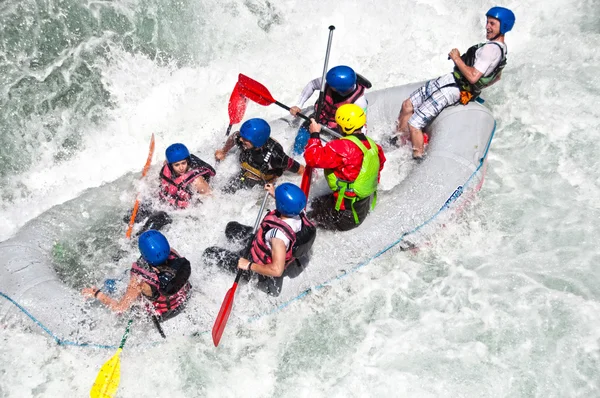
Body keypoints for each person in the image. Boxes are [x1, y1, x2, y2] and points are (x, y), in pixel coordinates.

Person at [395, 7, 515, 160]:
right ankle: (399, 142)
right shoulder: (502, 50)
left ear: (503, 26)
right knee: (408, 105)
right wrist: (476, 89)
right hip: (452, 80)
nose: (487, 27)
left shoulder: (491, 50)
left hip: (455, 89)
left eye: (492, 24)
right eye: (487, 22)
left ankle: (417, 157)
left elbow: (473, 77)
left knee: (415, 123)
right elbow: (496, 77)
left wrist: (456, 58)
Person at [202, 183, 316, 297]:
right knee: (231, 228)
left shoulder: (278, 236)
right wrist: (275, 193)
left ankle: (245, 274)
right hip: (260, 242)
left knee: (209, 253)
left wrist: (248, 265)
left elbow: (277, 270)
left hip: (257, 263)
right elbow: (289, 205)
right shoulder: (300, 212)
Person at [304, 103, 386, 231]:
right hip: (363, 206)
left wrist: (314, 134)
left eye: (339, 125)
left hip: (344, 218)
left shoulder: (341, 148)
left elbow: (312, 158)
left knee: (308, 217)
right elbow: (378, 166)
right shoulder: (373, 146)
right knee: (316, 202)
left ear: (344, 127)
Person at [82, 230, 192, 321]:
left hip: (162, 314)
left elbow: (119, 308)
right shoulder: (173, 253)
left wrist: (97, 294)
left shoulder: (139, 279)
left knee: (110, 285)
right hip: (183, 301)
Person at [289, 65, 372, 154]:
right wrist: (298, 105)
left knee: (334, 152)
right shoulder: (328, 82)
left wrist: (359, 143)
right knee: (300, 139)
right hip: (318, 117)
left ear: (339, 89)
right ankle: (295, 157)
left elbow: (361, 124)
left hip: (339, 128)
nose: (327, 84)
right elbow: (312, 85)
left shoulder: (359, 101)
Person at [214, 118, 305, 193]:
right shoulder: (244, 141)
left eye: (244, 138)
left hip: (261, 184)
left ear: (257, 141)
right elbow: (234, 136)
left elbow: (301, 170)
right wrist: (224, 151)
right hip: (244, 174)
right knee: (222, 192)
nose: (241, 139)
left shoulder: (276, 157)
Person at [159, 143, 215, 208]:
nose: (181, 168)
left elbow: (211, 199)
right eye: (177, 165)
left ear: (187, 161)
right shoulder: (168, 167)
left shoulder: (197, 181)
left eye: (183, 163)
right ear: (170, 165)